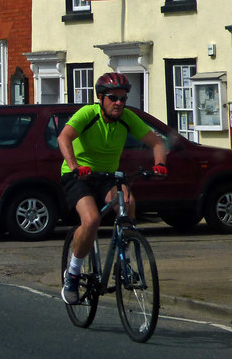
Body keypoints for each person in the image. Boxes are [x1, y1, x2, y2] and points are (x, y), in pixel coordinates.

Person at [57, 72, 167, 305]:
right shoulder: (88, 114)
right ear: (100, 98)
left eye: (123, 98)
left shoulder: (127, 117)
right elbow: (64, 138)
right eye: (113, 98)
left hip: (108, 176)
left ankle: (124, 261)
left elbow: (157, 141)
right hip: (78, 175)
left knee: (127, 204)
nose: (118, 103)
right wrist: (76, 166)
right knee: (91, 220)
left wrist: (159, 165)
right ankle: (73, 274)